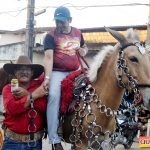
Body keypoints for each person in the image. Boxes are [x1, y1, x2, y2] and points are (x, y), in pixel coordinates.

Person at [43, 6, 88, 150]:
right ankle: (54, 139)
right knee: (54, 96)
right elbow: (49, 57)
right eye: (57, 21)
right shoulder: (50, 36)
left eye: (62, 21)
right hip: (57, 72)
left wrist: (84, 50)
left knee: (89, 94)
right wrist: (48, 78)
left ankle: (85, 129)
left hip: (76, 71)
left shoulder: (78, 33)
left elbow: (84, 47)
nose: (59, 24)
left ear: (70, 20)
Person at [1, 55, 48, 150]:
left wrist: (27, 94)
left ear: (32, 72)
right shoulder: (8, 88)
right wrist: (33, 96)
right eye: (20, 69)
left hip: (34, 144)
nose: (24, 72)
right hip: (11, 142)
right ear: (15, 72)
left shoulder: (39, 87)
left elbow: (44, 107)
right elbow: (12, 109)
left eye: (27, 69)